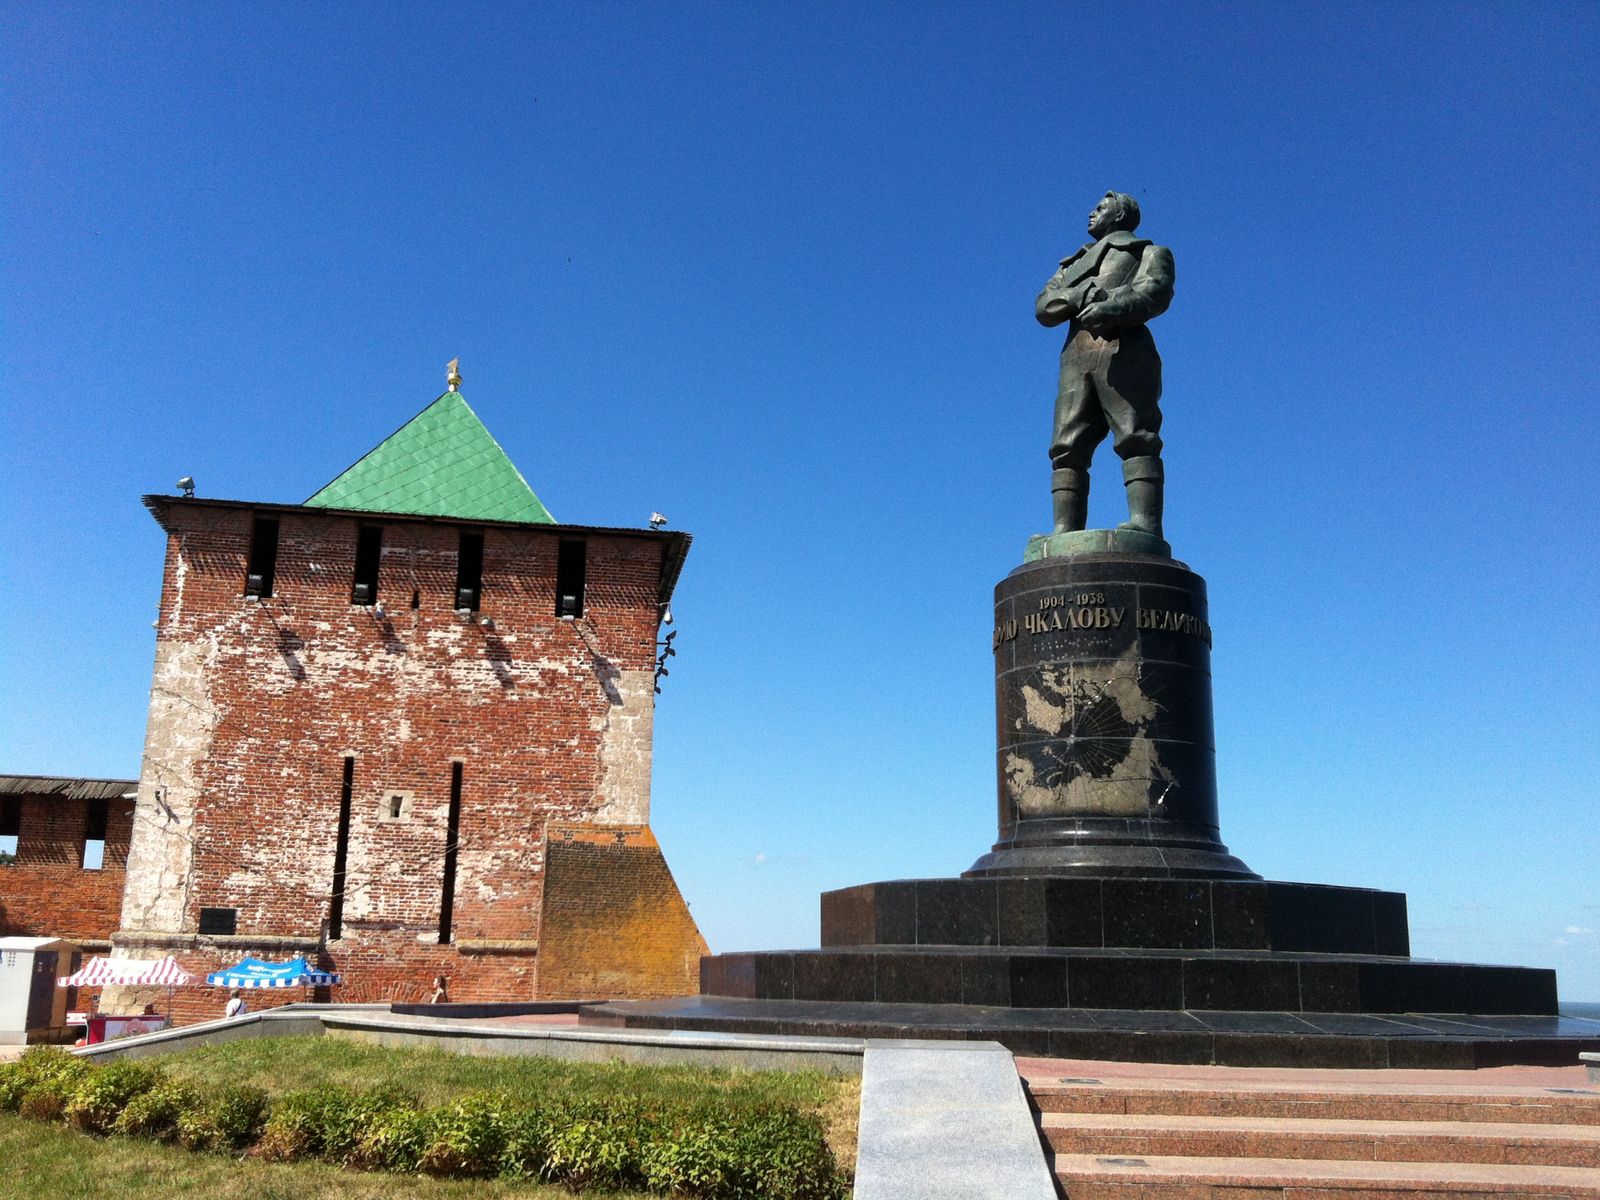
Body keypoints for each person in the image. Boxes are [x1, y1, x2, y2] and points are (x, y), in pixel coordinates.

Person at [1035, 191, 1176, 538]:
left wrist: (1111, 307)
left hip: (1123, 350)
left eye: (1101, 207)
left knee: (1137, 436)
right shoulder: (1070, 266)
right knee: (1066, 446)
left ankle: (1146, 524)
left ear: (1121, 213)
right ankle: (1064, 530)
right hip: (1076, 356)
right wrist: (1081, 295)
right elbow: (1044, 306)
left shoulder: (1147, 252)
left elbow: (1154, 292)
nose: (1091, 212)